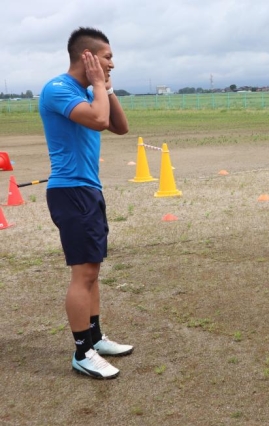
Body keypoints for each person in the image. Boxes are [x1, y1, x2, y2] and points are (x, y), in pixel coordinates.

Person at [39, 27, 131, 379]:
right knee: (84, 272)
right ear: (87, 57)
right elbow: (99, 120)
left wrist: (105, 88)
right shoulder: (58, 89)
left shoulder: (90, 92)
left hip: (88, 190)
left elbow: (119, 126)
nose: (112, 63)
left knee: (93, 270)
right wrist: (97, 85)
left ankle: (95, 337)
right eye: (107, 57)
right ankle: (82, 352)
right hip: (70, 190)